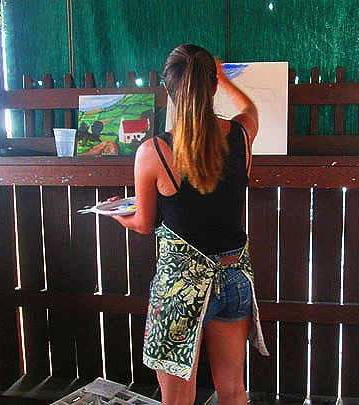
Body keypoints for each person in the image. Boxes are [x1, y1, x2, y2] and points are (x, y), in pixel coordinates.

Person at [111, 44, 268, 405]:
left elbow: (144, 223)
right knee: (233, 390)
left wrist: (118, 214)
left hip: (181, 287)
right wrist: (225, 79)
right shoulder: (242, 136)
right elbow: (250, 110)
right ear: (212, 87)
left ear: (168, 90)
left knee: (178, 400)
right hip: (234, 277)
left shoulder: (153, 152)